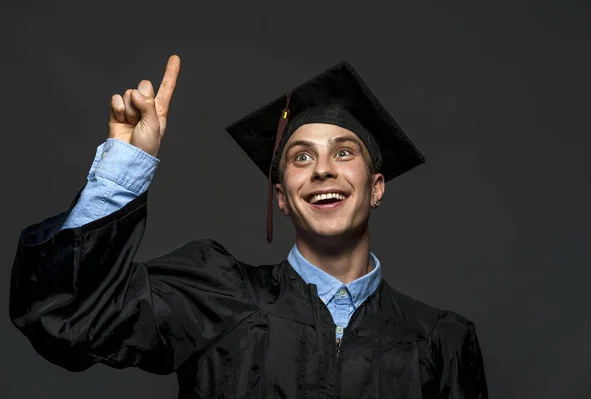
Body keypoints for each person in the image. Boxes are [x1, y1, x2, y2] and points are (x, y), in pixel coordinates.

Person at [9, 55, 488, 398]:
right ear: (282, 196)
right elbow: (68, 319)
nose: (322, 169)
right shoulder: (217, 294)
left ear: (376, 187)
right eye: (302, 157)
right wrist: (128, 161)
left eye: (344, 152)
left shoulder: (440, 340)